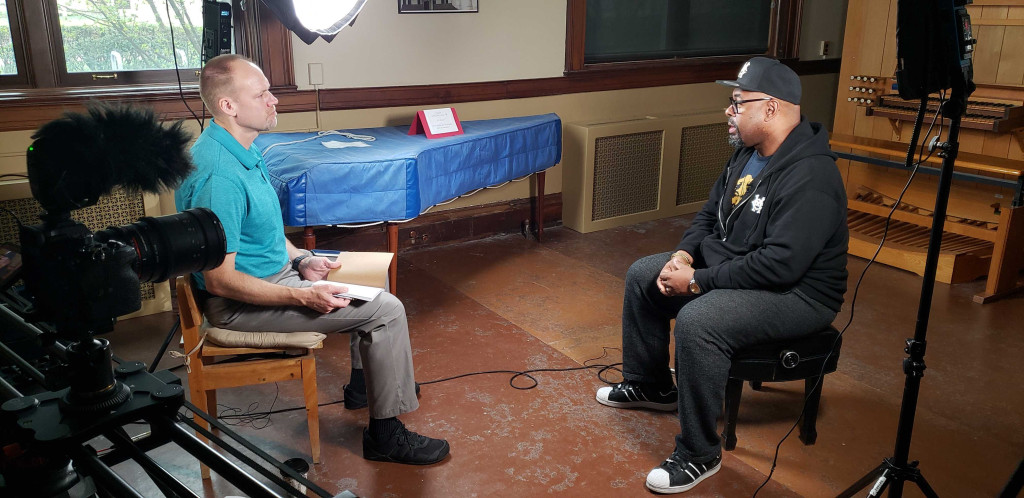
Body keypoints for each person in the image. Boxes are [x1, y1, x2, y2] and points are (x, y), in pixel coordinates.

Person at [176, 54, 449, 465]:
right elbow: (221, 282)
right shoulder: (220, 177)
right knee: (387, 310)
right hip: (240, 303)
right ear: (228, 106)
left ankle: (364, 385)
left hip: (277, 274)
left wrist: (303, 260)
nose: (274, 101)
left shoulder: (240, 148)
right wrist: (304, 296)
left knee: (374, 275)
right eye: (262, 93)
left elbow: (263, 230)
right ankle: (385, 436)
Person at [594, 57, 848, 493]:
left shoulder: (813, 176)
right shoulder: (747, 155)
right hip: (737, 265)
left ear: (770, 108)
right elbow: (709, 213)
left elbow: (780, 265)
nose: (727, 113)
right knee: (643, 274)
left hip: (798, 295)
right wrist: (683, 254)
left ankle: (699, 453)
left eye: (736, 104)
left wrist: (696, 282)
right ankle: (651, 386)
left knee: (700, 320)